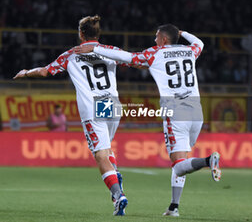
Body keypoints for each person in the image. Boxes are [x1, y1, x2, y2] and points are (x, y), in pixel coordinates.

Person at [74, 24, 221, 217]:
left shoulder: (155, 53)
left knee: (178, 164)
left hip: (175, 111)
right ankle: (174, 207)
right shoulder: (189, 51)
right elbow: (199, 42)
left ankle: (208, 160)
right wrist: (183, 33)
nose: (154, 40)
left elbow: (127, 57)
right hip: (196, 111)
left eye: (157, 36)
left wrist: (95, 48)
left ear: (164, 40)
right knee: (182, 159)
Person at [13, 15, 128, 216]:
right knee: (107, 148)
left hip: (93, 106)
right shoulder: (111, 51)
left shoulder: (71, 55)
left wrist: (25, 72)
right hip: (112, 104)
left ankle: (118, 195)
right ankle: (116, 180)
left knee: (100, 155)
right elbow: (133, 60)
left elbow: (44, 72)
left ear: (81, 34)